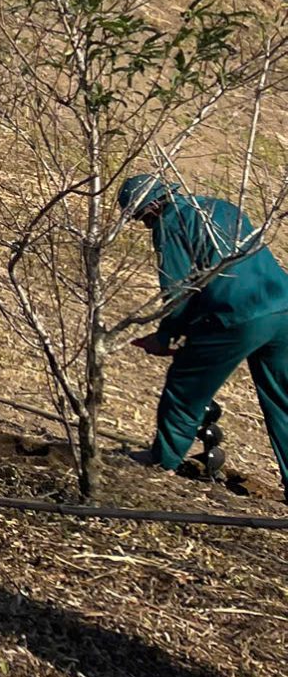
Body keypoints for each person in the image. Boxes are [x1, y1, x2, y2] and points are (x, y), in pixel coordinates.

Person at [122, 175, 288, 496]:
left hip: (236, 313)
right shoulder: (221, 207)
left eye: (141, 217)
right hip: (283, 305)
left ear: (151, 207)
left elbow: (178, 290)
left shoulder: (170, 224)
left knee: (185, 386)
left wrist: (166, 336)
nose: (144, 224)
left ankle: (163, 461)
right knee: (283, 399)